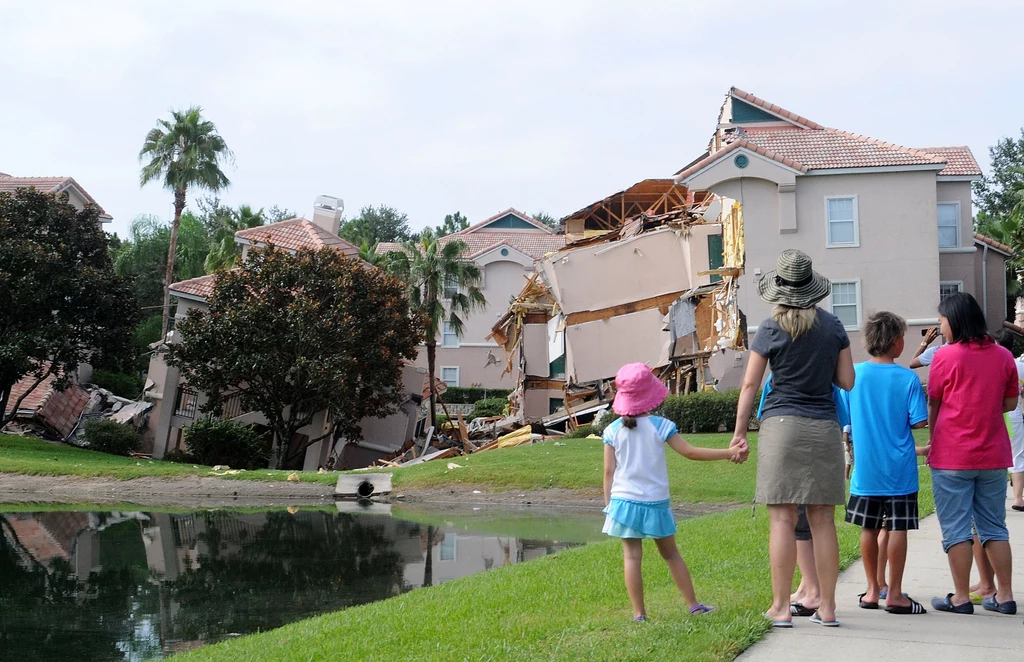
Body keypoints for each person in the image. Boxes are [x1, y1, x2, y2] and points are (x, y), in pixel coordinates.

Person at [731, 249, 854, 628]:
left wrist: (739, 434)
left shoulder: (769, 329)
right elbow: (847, 382)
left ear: (779, 289)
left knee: (782, 520)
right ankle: (828, 608)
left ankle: (782, 607)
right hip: (823, 427)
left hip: (781, 426)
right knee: (823, 521)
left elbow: (751, 384)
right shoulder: (833, 326)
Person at [602, 362, 748, 622]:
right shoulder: (661, 426)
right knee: (671, 554)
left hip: (623, 503)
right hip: (655, 503)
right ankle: (693, 605)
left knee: (632, 557)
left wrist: (608, 506)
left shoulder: (612, 431)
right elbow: (690, 453)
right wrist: (728, 453)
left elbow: (608, 473)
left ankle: (639, 615)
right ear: (650, 396)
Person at [926, 292, 1017, 616]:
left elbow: (934, 402)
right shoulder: (1004, 356)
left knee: (956, 529)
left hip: (952, 455)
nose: (941, 328)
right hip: (992, 455)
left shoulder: (944, 357)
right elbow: (1010, 403)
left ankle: (961, 597)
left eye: (942, 322)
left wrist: (933, 442)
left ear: (956, 320)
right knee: (994, 527)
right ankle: (1004, 596)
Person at [844, 311, 930, 614]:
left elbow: (846, 416)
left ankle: (871, 591)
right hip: (900, 469)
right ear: (895, 341)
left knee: (867, 528)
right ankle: (894, 593)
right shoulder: (907, 378)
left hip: (866, 469)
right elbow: (919, 422)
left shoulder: (853, 376)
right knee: (897, 529)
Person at [756, 375, 851, 618]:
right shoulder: (826, 376)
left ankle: (808, 593)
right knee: (821, 521)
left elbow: (764, 412)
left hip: (786, 437)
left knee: (791, 523)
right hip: (823, 436)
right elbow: (841, 415)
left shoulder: (777, 377)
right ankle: (822, 600)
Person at [993, 329, 1024, 513]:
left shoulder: (992, 363)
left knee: (996, 454)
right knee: (1017, 454)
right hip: (1012, 414)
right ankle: (1018, 499)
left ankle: (996, 497)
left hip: (995, 414)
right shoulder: (1019, 366)